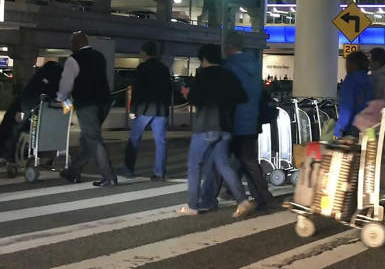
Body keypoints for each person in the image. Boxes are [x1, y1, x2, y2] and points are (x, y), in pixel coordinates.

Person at [179, 43, 252, 218]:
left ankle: (192, 205)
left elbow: (196, 98)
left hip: (205, 126)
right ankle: (242, 200)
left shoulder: (204, 75)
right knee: (224, 165)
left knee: (194, 165)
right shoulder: (229, 75)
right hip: (225, 127)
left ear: (204, 59)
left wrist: (187, 93)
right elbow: (242, 97)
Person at [220, 31, 272, 210]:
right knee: (244, 157)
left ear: (230, 46)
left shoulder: (229, 67)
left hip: (234, 119)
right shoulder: (254, 65)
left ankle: (260, 195)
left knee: (237, 158)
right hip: (252, 118)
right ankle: (248, 192)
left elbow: (227, 94)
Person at [57, 31, 116, 187]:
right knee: (87, 139)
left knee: (94, 140)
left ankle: (108, 176)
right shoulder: (99, 56)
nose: (70, 46)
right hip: (104, 102)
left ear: (76, 44)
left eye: (72, 43)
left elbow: (67, 83)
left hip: (87, 103)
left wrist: (60, 97)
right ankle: (73, 172)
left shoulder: (73, 60)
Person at [0, 61, 62, 165]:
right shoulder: (52, 79)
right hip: (29, 106)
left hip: (26, 105)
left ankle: (8, 154)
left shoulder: (40, 78)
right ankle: (10, 154)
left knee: (17, 128)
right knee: (19, 128)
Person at [122, 41, 172, 181]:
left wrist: (132, 109)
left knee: (134, 139)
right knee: (160, 142)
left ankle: (129, 169)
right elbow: (169, 89)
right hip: (161, 110)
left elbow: (137, 90)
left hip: (144, 109)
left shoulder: (142, 68)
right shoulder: (163, 68)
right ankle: (159, 173)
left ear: (144, 52)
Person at [334, 50, 373, 139]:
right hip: (370, 128)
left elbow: (346, 109)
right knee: (369, 151)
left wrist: (338, 130)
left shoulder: (351, 81)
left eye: (347, 63)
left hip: (354, 128)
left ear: (354, 64)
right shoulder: (369, 80)